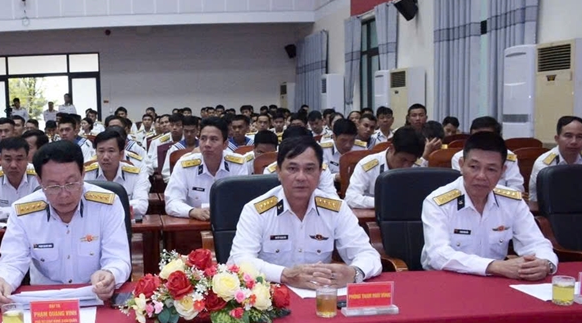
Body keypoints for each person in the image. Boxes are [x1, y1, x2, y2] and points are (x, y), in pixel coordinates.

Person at [0, 141, 132, 304]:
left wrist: (110, 273)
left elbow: (118, 257)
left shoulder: (107, 205)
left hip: (95, 297)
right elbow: (12, 261)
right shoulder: (23, 212)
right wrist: (2, 281)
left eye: (71, 183)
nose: (64, 194)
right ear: (39, 181)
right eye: (53, 186)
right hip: (44, 303)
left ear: (83, 174)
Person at [229, 136, 382, 288]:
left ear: (320, 173)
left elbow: (368, 255)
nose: (301, 177)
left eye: (309, 169)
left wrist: (354, 273)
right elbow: (239, 260)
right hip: (272, 295)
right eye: (292, 169)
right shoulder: (256, 210)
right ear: (278, 172)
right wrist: (284, 275)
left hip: (319, 295)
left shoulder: (336, 209)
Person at [422, 132, 557, 279]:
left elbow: (536, 243)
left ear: (502, 171)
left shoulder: (511, 202)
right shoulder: (438, 202)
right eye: (474, 167)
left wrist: (545, 263)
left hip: (495, 281)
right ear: (461, 165)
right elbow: (438, 255)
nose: (481, 176)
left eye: (491, 169)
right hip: (447, 280)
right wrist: (494, 266)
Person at [164, 117, 252, 220]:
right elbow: (172, 202)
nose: (207, 144)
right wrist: (192, 211)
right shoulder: (184, 165)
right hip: (193, 223)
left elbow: (242, 201)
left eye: (214, 139)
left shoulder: (238, 164)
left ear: (225, 144)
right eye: (203, 139)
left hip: (228, 222)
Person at [344, 127, 425, 209]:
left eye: (412, 162)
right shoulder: (368, 165)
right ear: (392, 149)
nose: (406, 166)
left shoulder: (418, 166)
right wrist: (384, 202)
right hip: (374, 213)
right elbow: (351, 198)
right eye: (403, 160)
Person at [84, 128, 151, 216]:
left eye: (111, 151)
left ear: (121, 154)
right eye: (101, 151)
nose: (105, 157)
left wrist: (104, 205)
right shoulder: (86, 174)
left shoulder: (135, 174)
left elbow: (141, 206)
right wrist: (120, 206)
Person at [0, 137, 40, 223]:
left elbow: (45, 210)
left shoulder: (39, 175)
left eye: (19, 159)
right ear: (0, 159)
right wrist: (27, 210)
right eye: (8, 159)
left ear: (27, 159)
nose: (13, 165)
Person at [450, 116, 524, 193]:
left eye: (491, 169)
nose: (482, 141)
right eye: (473, 167)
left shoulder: (508, 157)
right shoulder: (459, 157)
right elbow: (462, 187)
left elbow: (516, 187)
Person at [528, 116, 582, 202]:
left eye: (580, 136)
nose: (574, 141)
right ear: (557, 139)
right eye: (568, 136)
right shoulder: (544, 164)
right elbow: (541, 199)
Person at [161, 115, 200, 181]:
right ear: (182, 129)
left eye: (192, 131)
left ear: (197, 130)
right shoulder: (174, 149)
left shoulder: (203, 147)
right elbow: (166, 173)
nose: (189, 134)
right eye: (186, 131)